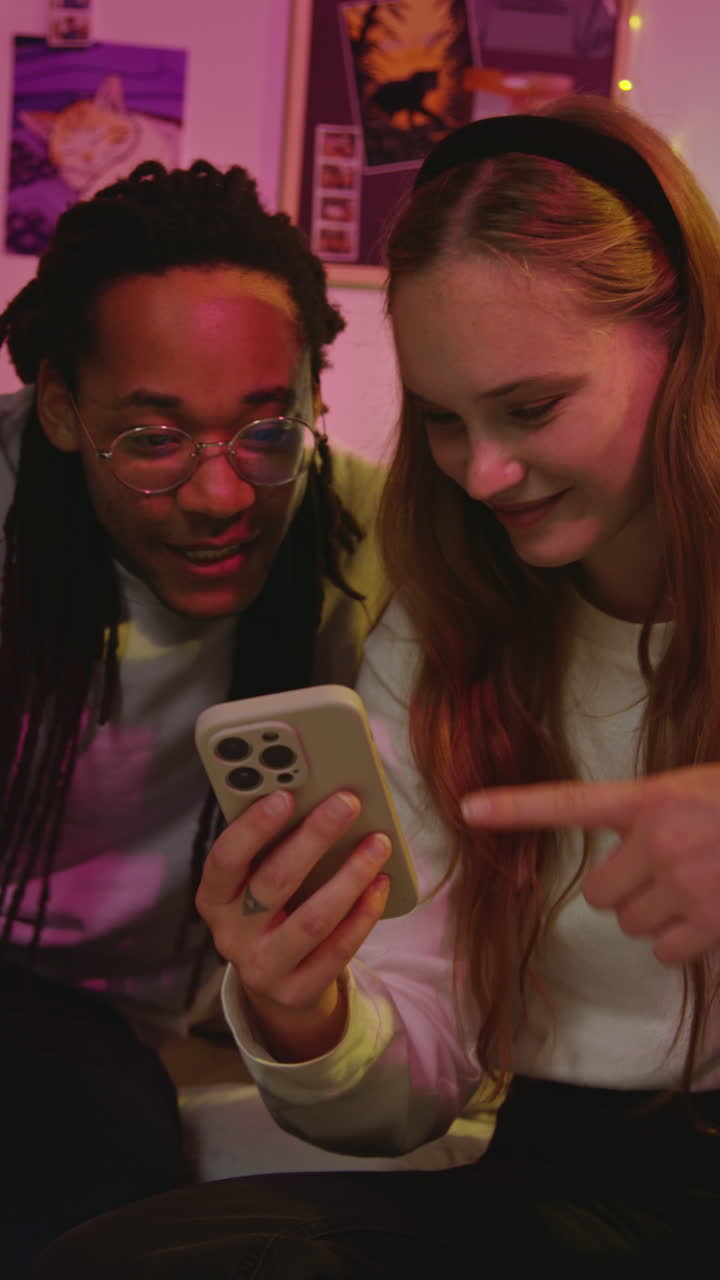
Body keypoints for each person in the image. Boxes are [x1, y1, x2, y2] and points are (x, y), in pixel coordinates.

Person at [31, 94, 720, 1279]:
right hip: (576, 1171)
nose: (486, 472)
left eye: (533, 406)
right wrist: (306, 1013)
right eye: (445, 420)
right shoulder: (451, 624)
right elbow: (407, 1084)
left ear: (691, 341)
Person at [0, 157, 396, 1277]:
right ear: (64, 409)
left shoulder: (355, 539)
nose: (222, 493)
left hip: (117, 1024)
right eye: (157, 436)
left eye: (267, 428)